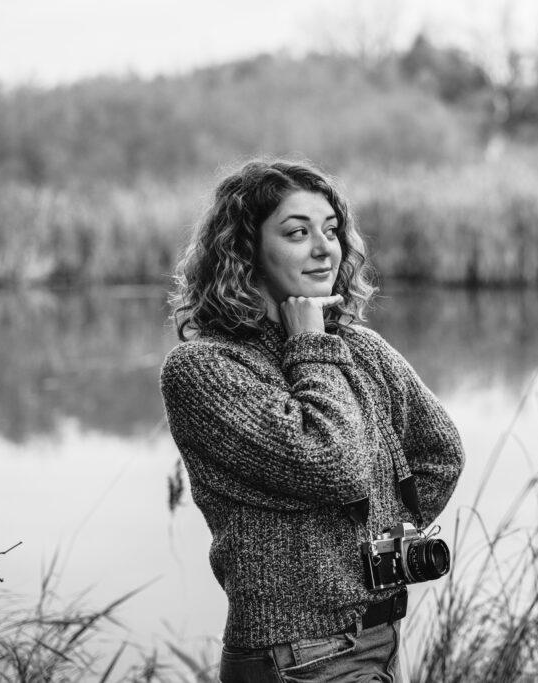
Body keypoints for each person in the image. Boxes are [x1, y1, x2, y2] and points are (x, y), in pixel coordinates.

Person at [160, 159, 465, 682]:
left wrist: (372, 540)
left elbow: (441, 454)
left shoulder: (360, 347)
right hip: (294, 653)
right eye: (298, 233)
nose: (324, 247)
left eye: (331, 230)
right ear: (245, 250)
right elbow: (332, 465)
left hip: (382, 638)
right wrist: (310, 343)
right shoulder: (204, 367)